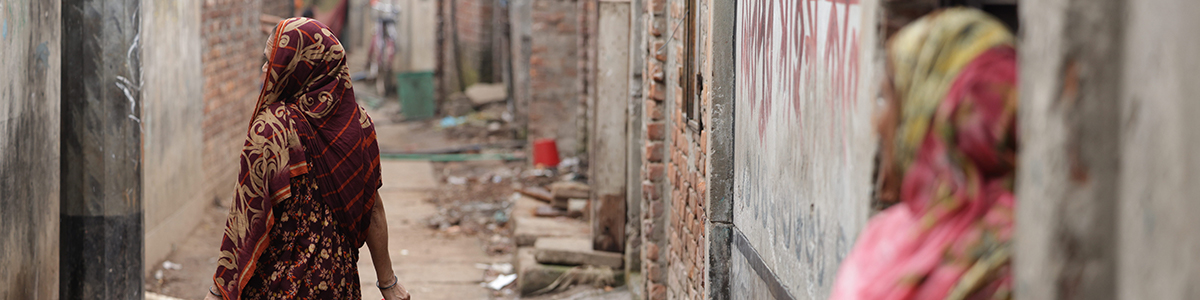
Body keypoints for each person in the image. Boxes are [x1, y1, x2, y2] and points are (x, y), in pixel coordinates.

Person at [204, 18, 411, 300]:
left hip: (277, 288)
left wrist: (219, 291)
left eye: (274, 62)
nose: (266, 70)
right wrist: (388, 284)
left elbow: (246, 218)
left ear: (299, 67)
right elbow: (373, 209)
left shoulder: (272, 129)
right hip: (338, 286)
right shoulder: (359, 124)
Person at [830, 8, 1018, 300]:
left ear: (930, 108)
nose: (877, 123)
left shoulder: (1012, 267)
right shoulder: (891, 233)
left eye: (889, 97)